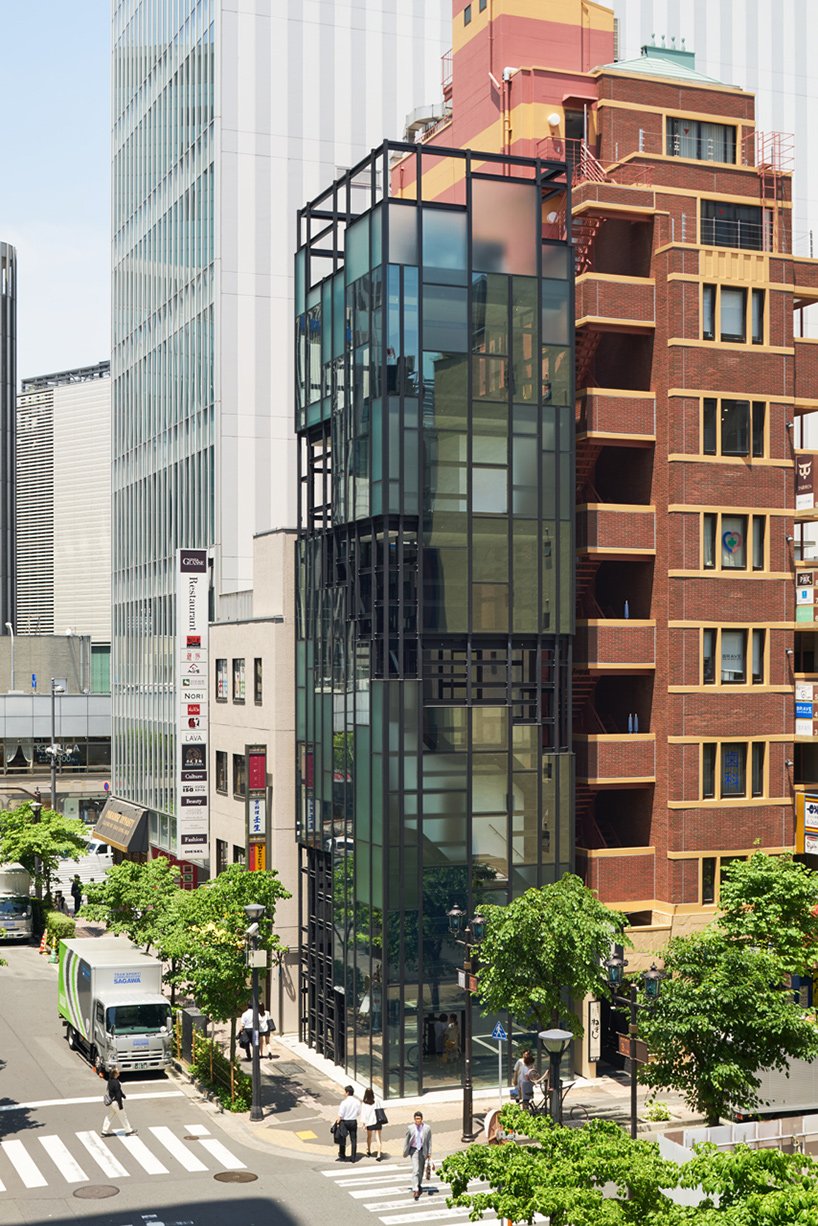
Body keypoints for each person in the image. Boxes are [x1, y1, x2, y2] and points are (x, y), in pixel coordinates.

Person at [403, 1110, 432, 1200]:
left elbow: (429, 1141)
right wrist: (404, 1150)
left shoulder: (427, 1128)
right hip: (414, 1150)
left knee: (421, 1169)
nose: (418, 1121)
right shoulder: (411, 1128)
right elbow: (407, 1139)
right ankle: (415, 1189)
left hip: (423, 1150)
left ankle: (419, 1184)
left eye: (419, 1119)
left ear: (422, 1119)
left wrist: (429, 1152)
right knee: (415, 1170)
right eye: (416, 1119)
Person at [101, 1066, 135, 1136]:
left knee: (109, 1116)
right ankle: (128, 1130)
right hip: (116, 1102)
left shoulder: (110, 1080)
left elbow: (118, 1091)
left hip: (111, 1101)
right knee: (123, 1116)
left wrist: (123, 1095)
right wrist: (120, 1105)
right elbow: (118, 1094)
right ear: (115, 1074)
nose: (118, 1072)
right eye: (117, 1071)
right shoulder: (116, 1083)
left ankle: (104, 1131)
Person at [335, 1085, 361, 1161]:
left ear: (347, 1092)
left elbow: (340, 1114)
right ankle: (353, 1157)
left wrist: (337, 1122)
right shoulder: (357, 1102)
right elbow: (359, 1112)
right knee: (353, 1139)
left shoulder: (344, 1102)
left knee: (342, 1137)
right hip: (353, 1121)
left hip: (345, 1121)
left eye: (344, 1092)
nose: (344, 1093)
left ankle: (342, 1154)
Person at [360, 1086, 384, 1159]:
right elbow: (380, 1109)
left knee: (369, 1137)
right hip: (377, 1121)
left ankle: (369, 1150)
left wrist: (364, 1124)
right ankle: (379, 1154)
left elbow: (363, 1115)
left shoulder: (364, 1103)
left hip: (369, 1122)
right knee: (378, 1138)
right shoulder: (377, 1101)